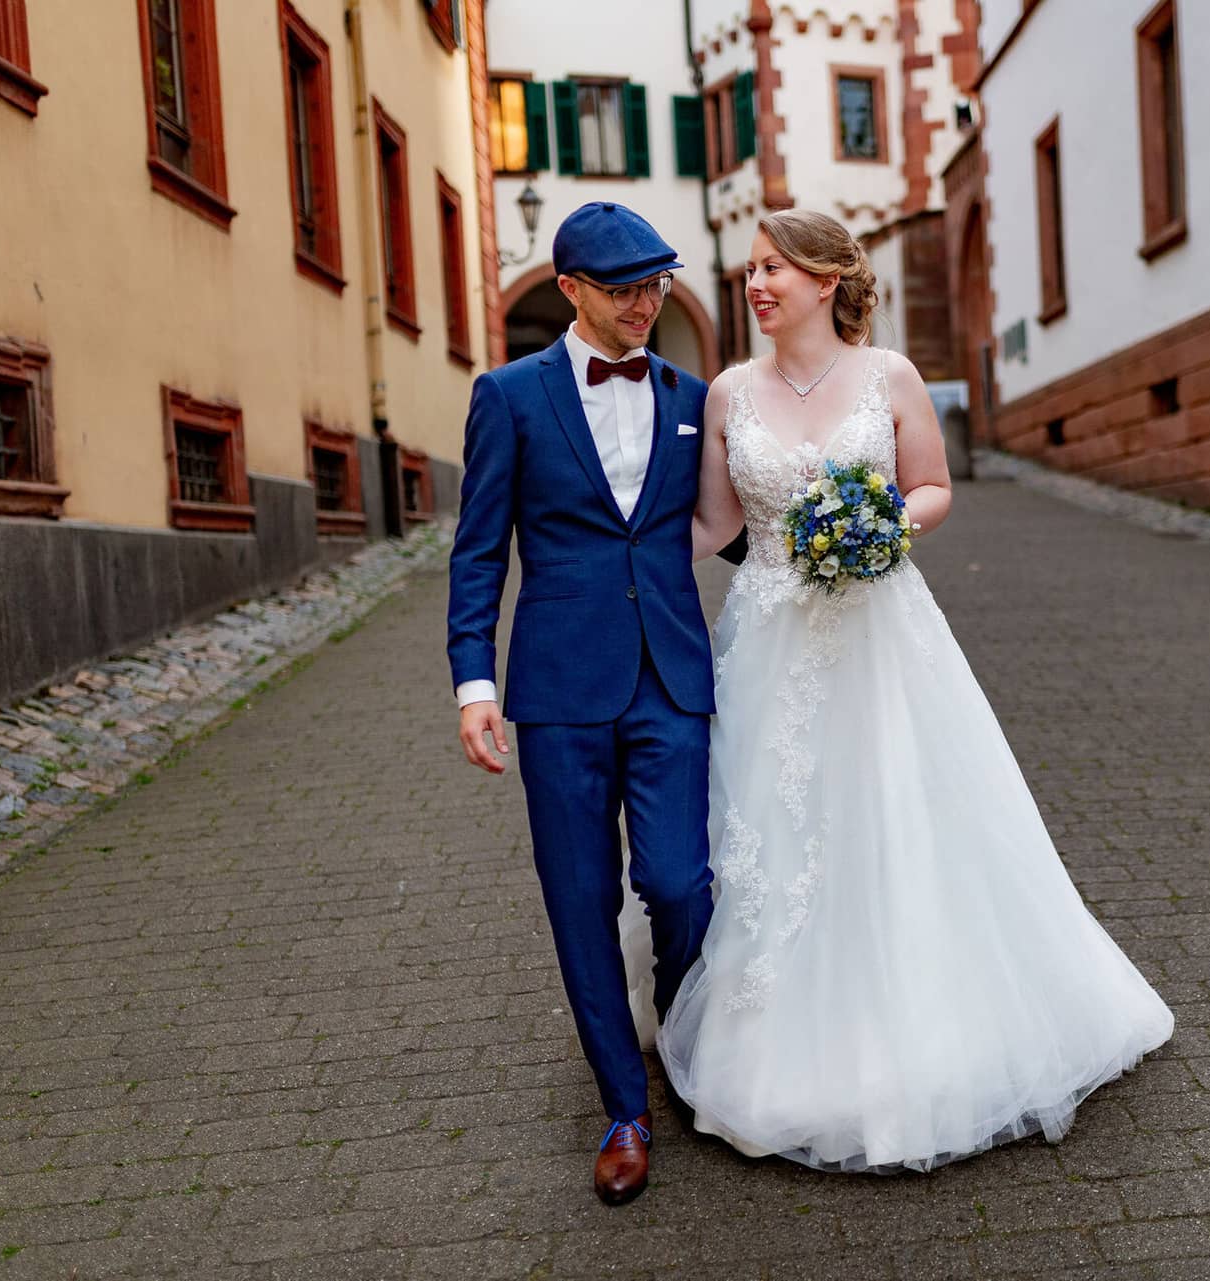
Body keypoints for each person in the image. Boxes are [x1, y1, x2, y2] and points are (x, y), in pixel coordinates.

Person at [655, 209, 1174, 1172]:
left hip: (880, 632)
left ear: (825, 279)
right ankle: (772, 1045)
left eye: (774, 268)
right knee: (777, 829)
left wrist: (878, 523)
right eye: (750, 271)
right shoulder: (728, 391)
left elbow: (933, 486)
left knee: (896, 813)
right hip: (770, 637)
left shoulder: (889, 377)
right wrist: (615, 560)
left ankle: (931, 1032)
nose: (756, 284)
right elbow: (711, 523)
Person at [446, 202, 720, 1205]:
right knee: (580, 901)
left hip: (673, 679)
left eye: (654, 284)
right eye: (621, 289)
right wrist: (473, 682)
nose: (644, 305)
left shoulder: (693, 397)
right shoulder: (509, 397)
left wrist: (834, 539)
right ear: (569, 289)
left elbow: (733, 524)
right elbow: (478, 551)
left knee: (683, 880)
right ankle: (624, 1107)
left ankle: (684, 1042)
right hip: (558, 690)